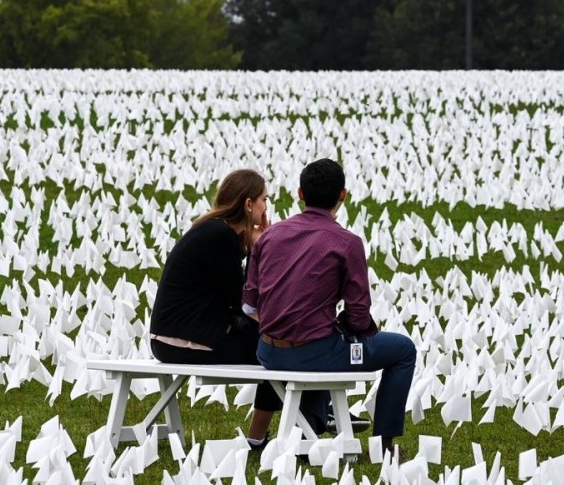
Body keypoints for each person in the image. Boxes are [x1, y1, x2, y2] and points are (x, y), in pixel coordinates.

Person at [243, 158, 417, 456]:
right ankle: (383, 445)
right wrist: (353, 330)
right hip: (315, 354)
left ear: (300, 193)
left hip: (268, 351)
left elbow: (249, 303)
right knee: (403, 349)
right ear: (343, 195)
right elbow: (359, 311)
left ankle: (314, 421)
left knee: (324, 334)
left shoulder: (269, 235)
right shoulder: (347, 242)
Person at [149, 168, 278, 448]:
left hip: (174, 337)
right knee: (279, 349)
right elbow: (243, 299)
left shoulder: (214, 231)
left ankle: (276, 429)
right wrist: (258, 249)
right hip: (185, 340)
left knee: (276, 345)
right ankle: (278, 431)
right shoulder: (220, 235)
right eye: (264, 200)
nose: (266, 207)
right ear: (248, 204)